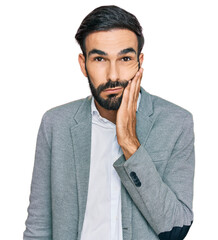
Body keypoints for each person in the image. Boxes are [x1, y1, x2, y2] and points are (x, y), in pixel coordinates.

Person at [23, 5, 195, 240]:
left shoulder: (176, 123)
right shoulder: (56, 124)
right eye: (100, 58)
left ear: (139, 61)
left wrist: (130, 145)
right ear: (83, 64)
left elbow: (176, 229)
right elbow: (38, 227)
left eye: (125, 58)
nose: (113, 75)